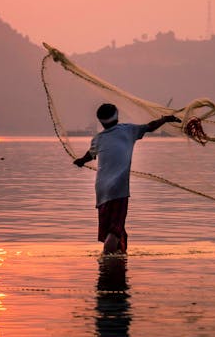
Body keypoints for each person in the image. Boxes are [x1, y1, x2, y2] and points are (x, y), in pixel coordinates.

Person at [73, 103, 180, 254]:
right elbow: (150, 126)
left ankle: (119, 260)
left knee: (117, 231)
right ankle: (106, 261)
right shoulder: (128, 130)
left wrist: (81, 161)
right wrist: (165, 119)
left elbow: (90, 155)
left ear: (101, 121)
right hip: (118, 190)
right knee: (114, 231)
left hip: (101, 190)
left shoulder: (98, 138)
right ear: (117, 117)